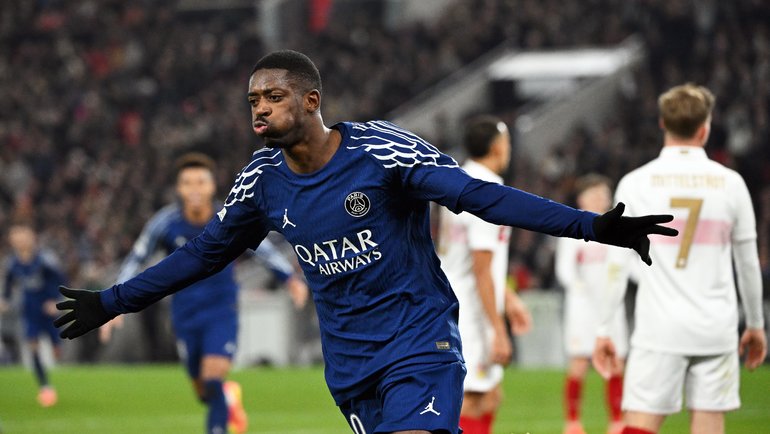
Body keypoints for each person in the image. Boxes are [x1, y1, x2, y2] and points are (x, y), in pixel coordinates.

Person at [55, 50, 677, 434]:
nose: (259, 110)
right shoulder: (261, 181)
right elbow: (201, 254)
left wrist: (593, 225)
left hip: (419, 342)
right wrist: (112, 301)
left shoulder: (382, 151)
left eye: (273, 97)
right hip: (350, 367)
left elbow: (479, 197)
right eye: (253, 101)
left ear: (311, 101)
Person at [592, 83, 767, 434]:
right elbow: (747, 262)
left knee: (639, 426)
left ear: (663, 124)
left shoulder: (635, 183)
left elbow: (615, 266)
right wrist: (755, 325)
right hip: (715, 328)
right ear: (705, 127)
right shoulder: (731, 183)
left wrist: (604, 329)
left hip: (658, 328)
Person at [100, 152, 308, 434]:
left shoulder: (230, 216)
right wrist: (116, 302)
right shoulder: (165, 223)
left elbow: (263, 249)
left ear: (212, 186)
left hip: (221, 310)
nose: (195, 189)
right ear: (179, 189)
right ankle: (228, 397)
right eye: (188, 183)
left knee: (212, 379)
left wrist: (290, 279)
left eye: (201, 182)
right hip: (184, 314)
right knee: (203, 391)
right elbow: (137, 258)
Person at [436, 116, 532, 434]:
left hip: (457, 297)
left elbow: (470, 260)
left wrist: (509, 299)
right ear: (497, 147)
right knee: (471, 399)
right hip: (471, 310)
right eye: (507, 142)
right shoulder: (487, 191)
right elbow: (480, 268)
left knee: (491, 395)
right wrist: (499, 330)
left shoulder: (456, 181)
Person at [555, 174, 628, 434]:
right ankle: (573, 421)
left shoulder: (619, 228)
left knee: (616, 362)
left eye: (603, 194)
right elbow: (564, 270)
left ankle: (617, 421)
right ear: (582, 199)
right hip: (583, 309)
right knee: (579, 362)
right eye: (594, 194)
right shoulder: (571, 229)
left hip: (611, 307)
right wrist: (580, 290)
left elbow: (627, 267)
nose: (599, 199)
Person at [0, 223, 66, 407]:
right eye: (15, 237)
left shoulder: (45, 259)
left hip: (48, 310)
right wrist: (5, 300)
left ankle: (56, 346)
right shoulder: (12, 263)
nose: (19, 241)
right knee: (33, 345)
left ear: (31, 237)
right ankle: (45, 387)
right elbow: (8, 284)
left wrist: (55, 300)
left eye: (22, 236)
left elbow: (60, 279)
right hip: (30, 311)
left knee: (56, 348)